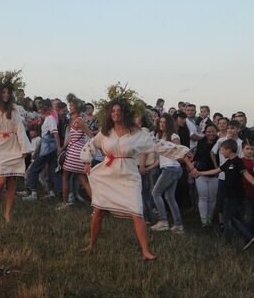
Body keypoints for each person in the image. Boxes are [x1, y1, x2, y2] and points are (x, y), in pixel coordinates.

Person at [81, 99, 189, 261]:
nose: (116, 113)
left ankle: (146, 252)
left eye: (119, 111)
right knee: (99, 211)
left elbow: (158, 145)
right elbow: (91, 145)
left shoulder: (138, 134)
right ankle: (92, 244)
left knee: (137, 211)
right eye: (113, 111)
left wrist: (182, 152)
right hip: (109, 174)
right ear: (110, 114)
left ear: (125, 113)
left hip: (128, 174)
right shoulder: (105, 132)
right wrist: (87, 161)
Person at [191, 139, 254, 250]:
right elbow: (216, 171)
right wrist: (200, 173)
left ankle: (234, 240)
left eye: (222, 151)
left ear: (228, 150)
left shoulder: (238, 161)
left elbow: (246, 174)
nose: (221, 153)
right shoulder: (228, 162)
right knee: (233, 217)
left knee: (226, 219)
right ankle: (245, 237)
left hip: (236, 196)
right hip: (229, 195)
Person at [0, 84, 33, 222]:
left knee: (11, 181)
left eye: (8, 93)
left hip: (13, 146)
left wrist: (24, 148)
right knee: (0, 180)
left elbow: (20, 130)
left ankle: (7, 213)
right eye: (3, 92)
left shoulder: (14, 110)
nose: (6, 95)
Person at [150, 114, 185, 233]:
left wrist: (190, 167)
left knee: (155, 193)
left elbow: (180, 152)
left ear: (169, 124)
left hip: (172, 168)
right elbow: (161, 158)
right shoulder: (161, 137)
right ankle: (178, 226)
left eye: (164, 122)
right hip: (168, 168)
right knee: (169, 197)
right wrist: (149, 167)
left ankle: (163, 222)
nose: (161, 124)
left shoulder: (173, 136)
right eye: (160, 122)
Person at [21, 99, 61, 201]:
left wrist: (59, 147)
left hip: (47, 149)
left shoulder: (50, 119)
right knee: (51, 172)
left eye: (40, 107)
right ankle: (51, 193)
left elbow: (55, 133)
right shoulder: (47, 118)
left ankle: (33, 194)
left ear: (45, 108)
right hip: (49, 149)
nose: (38, 109)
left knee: (33, 170)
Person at [59, 95, 94, 208]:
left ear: (77, 108)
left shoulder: (78, 121)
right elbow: (71, 137)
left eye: (72, 105)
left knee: (65, 177)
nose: (70, 107)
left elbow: (91, 135)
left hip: (73, 154)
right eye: (69, 105)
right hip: (79, 154)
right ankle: (97, 206)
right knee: (83, 181)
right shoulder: (76, 120)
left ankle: (64, 204)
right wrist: (63, 147)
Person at [185, 123, 219, 227]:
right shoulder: (201, 142)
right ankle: (204, 221)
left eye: (213, 131)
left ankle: (210, 218)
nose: (211, 133)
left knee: (212, 198)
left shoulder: (220, 142)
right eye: (208, 131)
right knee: (203, 197)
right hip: (201, 174)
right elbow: (196, 158)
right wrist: (192, 169)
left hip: (215, 174)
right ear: (205, 132)